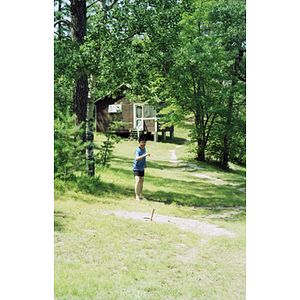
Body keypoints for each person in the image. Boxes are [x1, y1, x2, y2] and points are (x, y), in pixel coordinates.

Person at [132, 135, 150, 201]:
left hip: (142, 168)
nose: (143, 144)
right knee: (137, 181)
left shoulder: (144, 149)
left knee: (142, 181)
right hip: (136, 168)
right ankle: (136, 196)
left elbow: (144, 158)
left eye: (144, 142)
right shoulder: (138, 150)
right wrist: (144, 155)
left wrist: (145, 164)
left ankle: (140, 194)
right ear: (139, 143)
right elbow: (136, 158)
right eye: (142, 142)